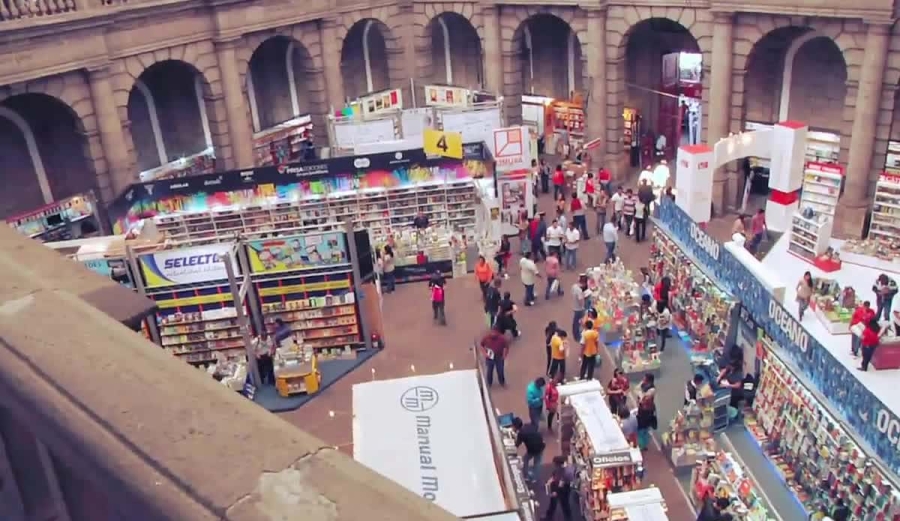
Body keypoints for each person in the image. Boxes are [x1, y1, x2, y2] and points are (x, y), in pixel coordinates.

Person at [512, 416, 545, 482]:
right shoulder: (528, 425)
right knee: (537, 463)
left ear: (515, 426)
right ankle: (534, 478)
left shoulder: (521, 433)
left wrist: (514, 438)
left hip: (532, 449)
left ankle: (526, 476)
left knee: (526, 460)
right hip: (540, 445)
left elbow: (517, 444)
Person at [544, 455, 574, 521]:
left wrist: (556, 492)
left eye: (555, 464)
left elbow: (561, 485)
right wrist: (551, 479)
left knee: (564, 503)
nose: (554, 465)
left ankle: (568, 518)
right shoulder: (561, 467)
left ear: (559, 464)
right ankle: (549, 516)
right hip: (557, 485)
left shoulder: (567, 473)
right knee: (553, 503)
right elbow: (555, 473)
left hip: (564, 489)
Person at [571, 275, 588, 341]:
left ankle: (576, 334)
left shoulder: (574, 286)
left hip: (575, 306)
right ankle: (578, 336)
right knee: (579, 322)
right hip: (579, 309)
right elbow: (581, 302)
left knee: (576, 322)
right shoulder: (579, 291)